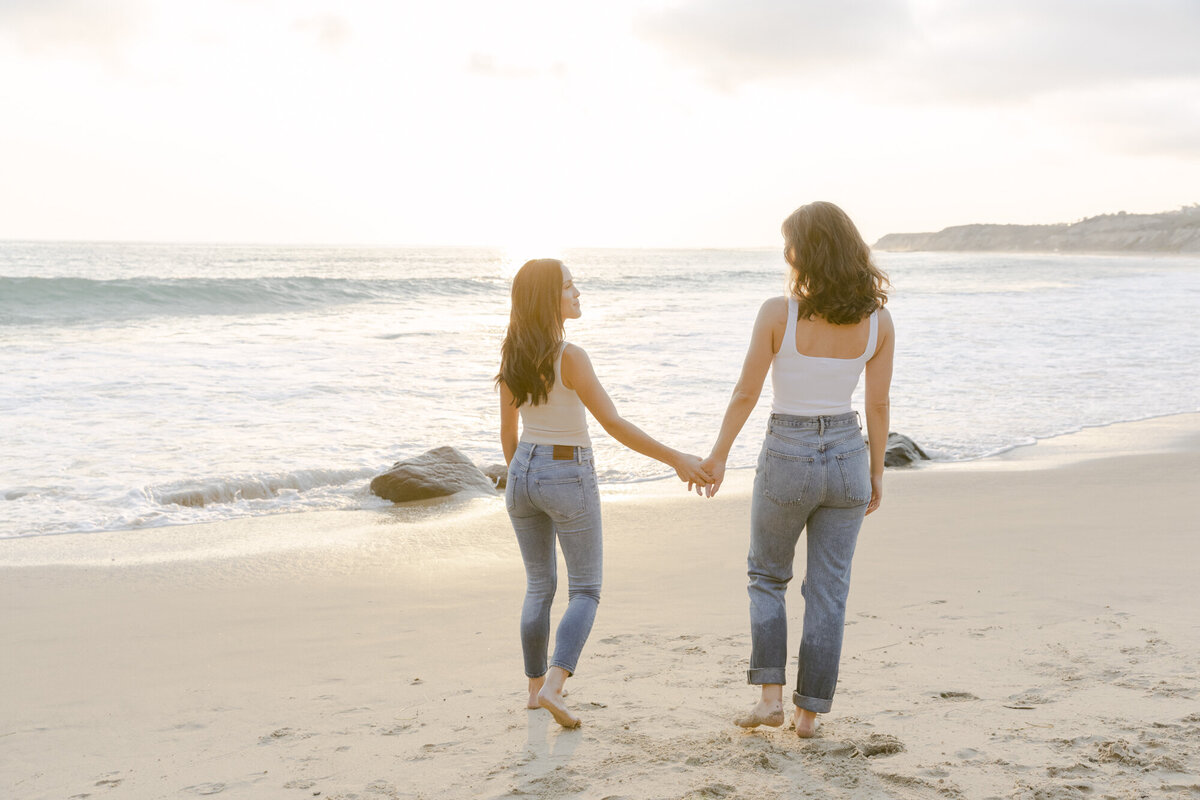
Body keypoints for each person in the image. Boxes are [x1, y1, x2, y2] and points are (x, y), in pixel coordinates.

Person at [697, 202, 894, 737]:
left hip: (788, 452)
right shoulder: (879, 320)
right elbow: (878, 408)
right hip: (850, 453)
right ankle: (808, 714)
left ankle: (770, 700)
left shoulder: (777, 313)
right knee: (829, 589)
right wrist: (876, 470)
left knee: (767, 576)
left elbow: (746, 393)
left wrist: (717, 456)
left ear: (802, 253)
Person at [496, 258, 711, 729]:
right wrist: (676, 458)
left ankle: (534, 691)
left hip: (522, 471)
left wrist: (521, 480)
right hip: (565, 471)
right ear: (548, 298)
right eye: (569, 287)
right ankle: (555, 685)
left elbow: (508, 434)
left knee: (538, 587)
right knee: (586, 590)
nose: (578, 293)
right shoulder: (569, 355)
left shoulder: (512, 352)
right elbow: (612, 423)